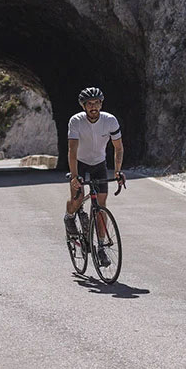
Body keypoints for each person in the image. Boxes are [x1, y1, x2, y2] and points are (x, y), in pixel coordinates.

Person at [64, 86, 125, 266]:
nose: (93, 107)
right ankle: (69, 216)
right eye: (89, 104)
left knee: (101, 204)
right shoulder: (76, 121)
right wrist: (75, 177)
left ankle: (100, 247)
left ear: (101, 104)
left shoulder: (110, 121)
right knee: (78, 198)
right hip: (80, 163)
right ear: (83, 106)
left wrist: (118, 171)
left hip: (99, 163)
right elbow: (72, 150)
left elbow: (118, 147)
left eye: (97, 103)